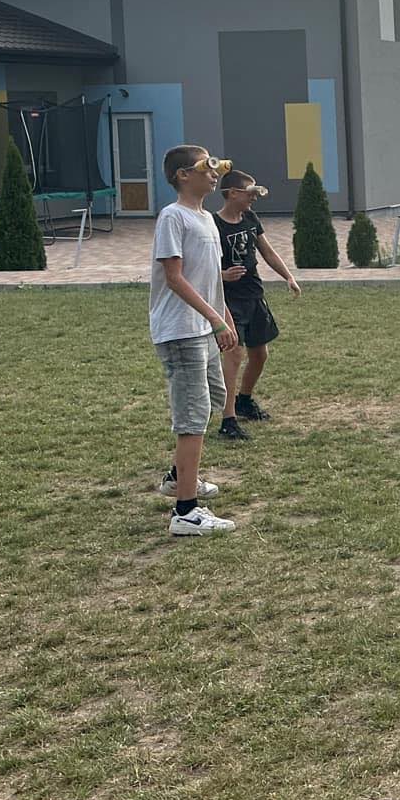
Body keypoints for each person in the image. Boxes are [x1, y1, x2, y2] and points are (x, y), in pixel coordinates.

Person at [151, 145, 239, 537]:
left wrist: (225, 319)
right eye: (207, 167)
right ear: (183, 175)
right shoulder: (173, 217)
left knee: (214, 399)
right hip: (182, 330)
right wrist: (214, 319)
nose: (215, 172)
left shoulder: (205, 219)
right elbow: (175, 276)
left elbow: (210, 277)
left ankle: (178, 475)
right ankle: (185, 512)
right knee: (192, 417)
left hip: (204, 327)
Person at [214, 170, 299, 435]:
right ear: (233, 194)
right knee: (234, 354)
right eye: (249, 194)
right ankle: (228, 420)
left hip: (254, 296)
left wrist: (288, 276)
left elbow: (268, 251)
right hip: (230, 301)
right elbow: (199, 266)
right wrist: (222, 276)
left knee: (260, 354)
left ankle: (244, 401)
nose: (253, 199)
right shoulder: (214, 225)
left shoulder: (250, 218)